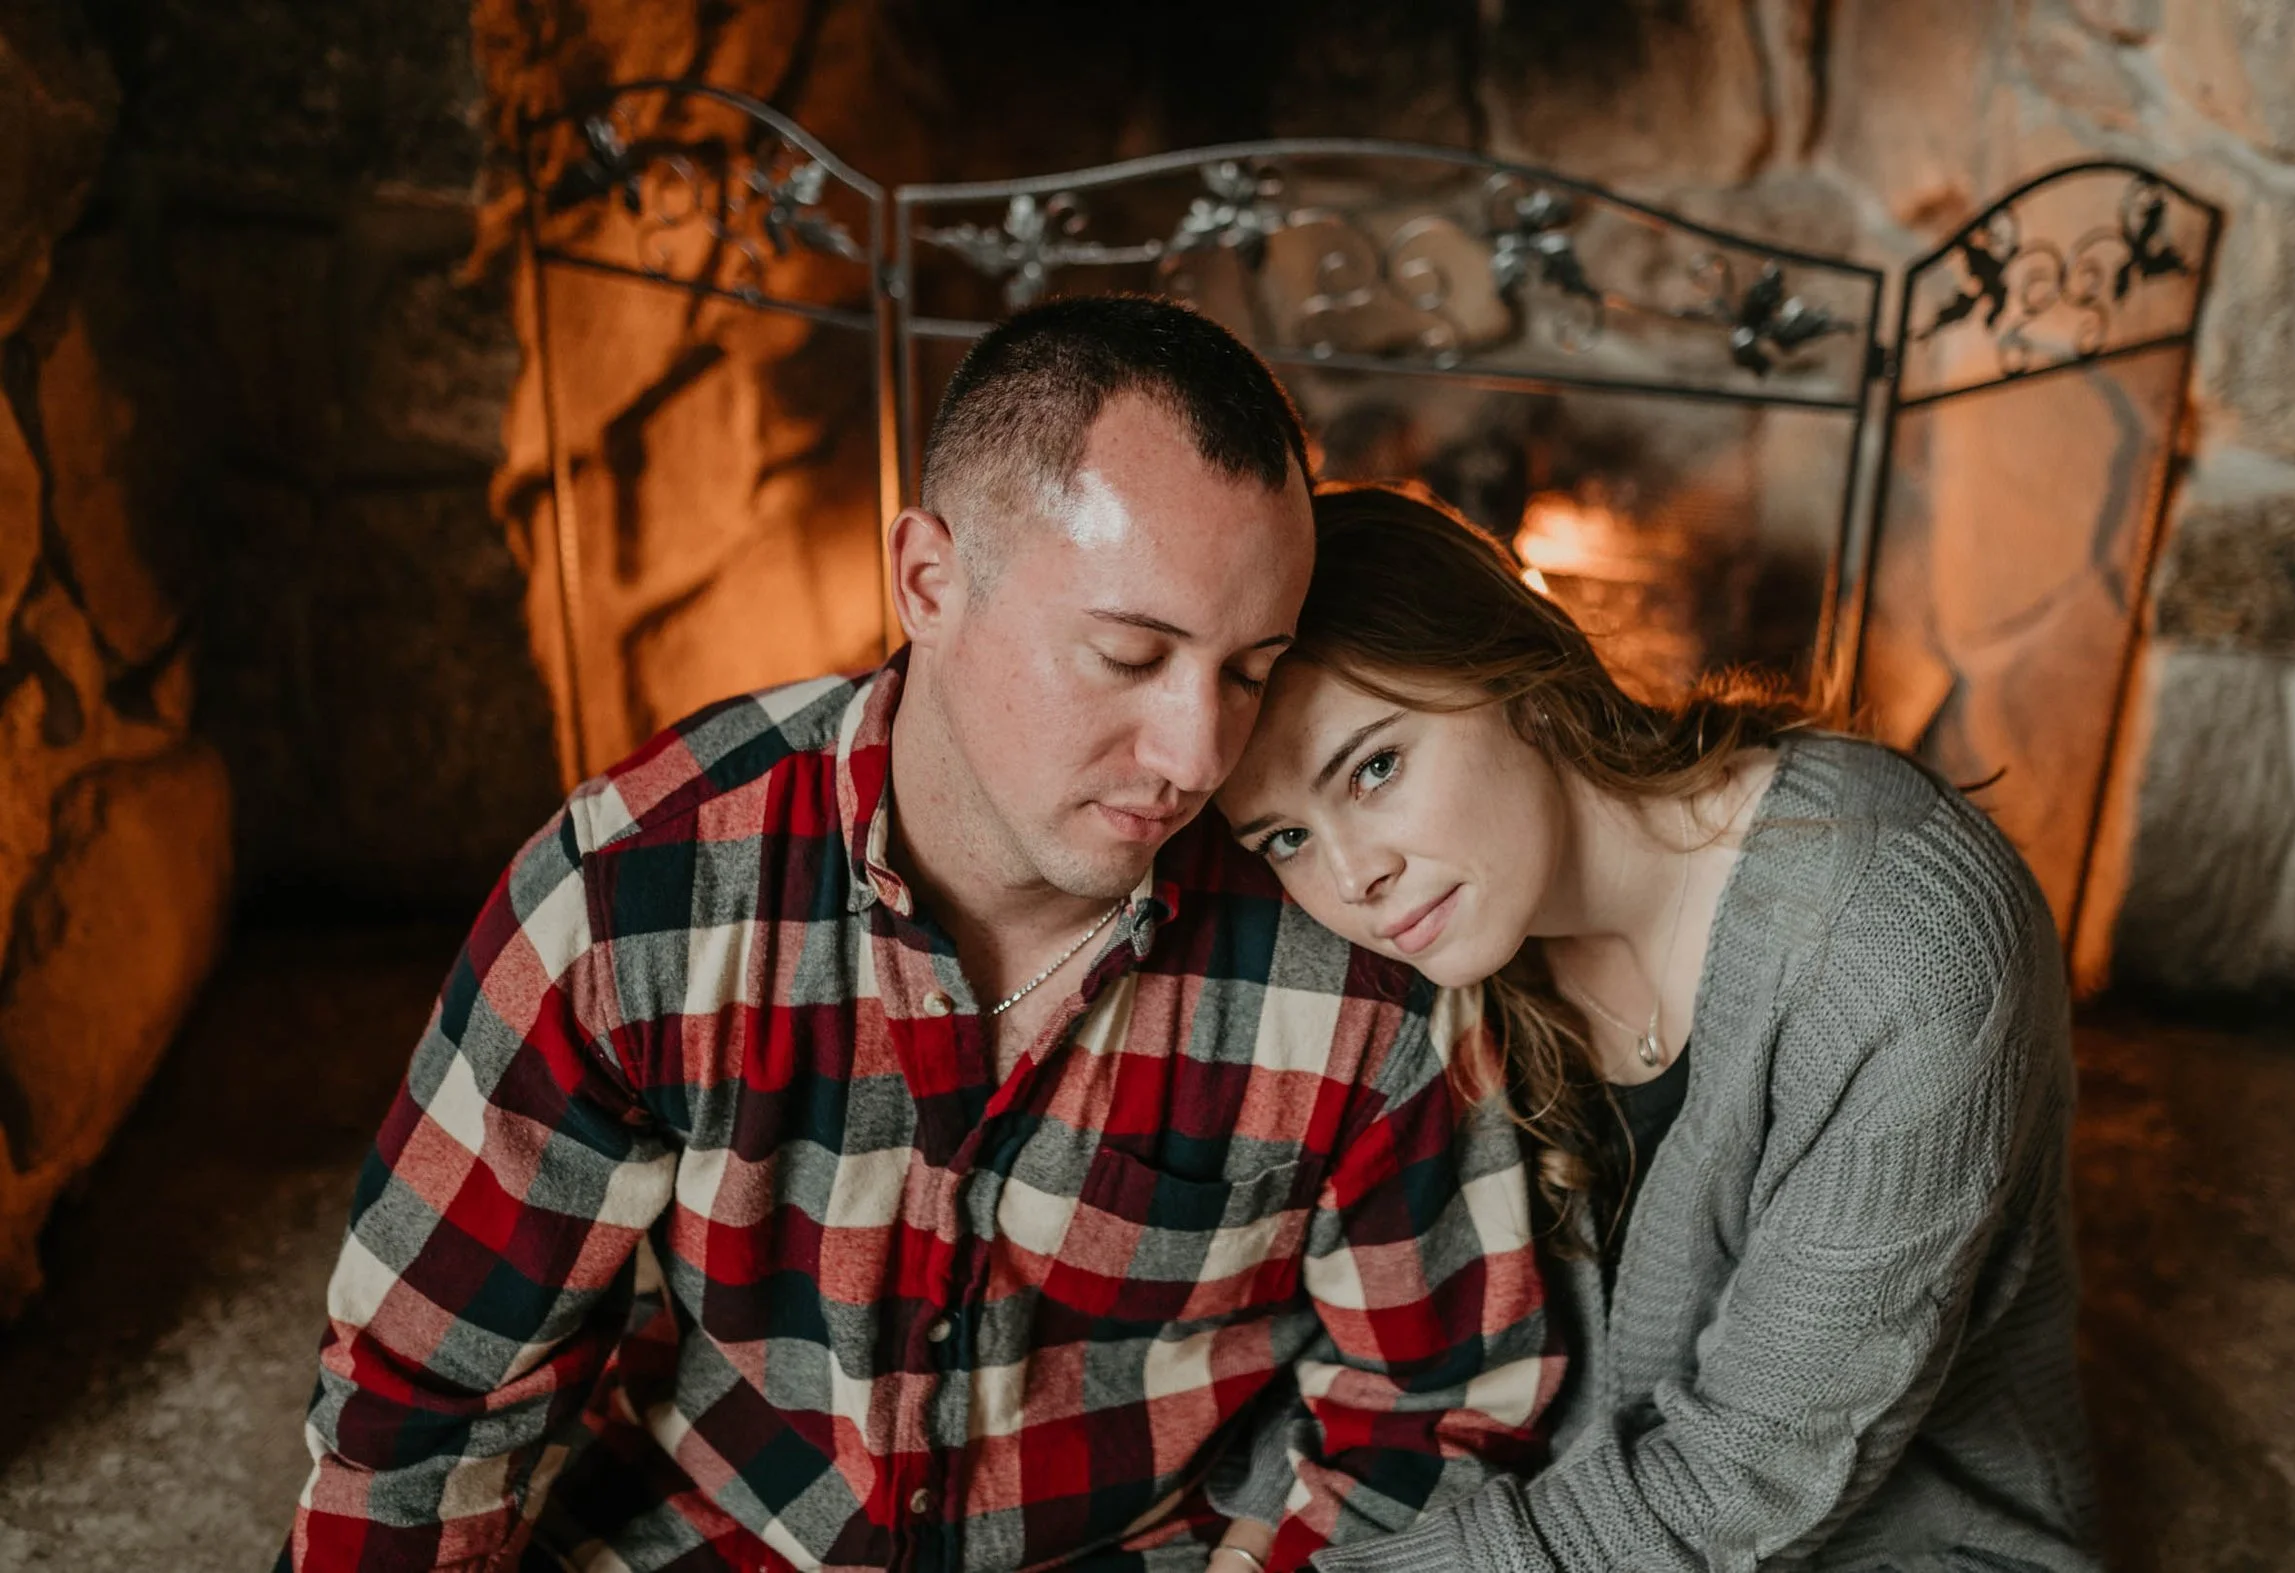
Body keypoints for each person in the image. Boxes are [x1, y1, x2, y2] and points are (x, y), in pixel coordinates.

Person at [281, 302, 1554, 1573]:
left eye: (1244, 670)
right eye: (1129, 654)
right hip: (725, 1536)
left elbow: (1421, 1419)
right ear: (929, 581)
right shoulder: (643, 889)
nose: (1197, 758)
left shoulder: (1349, 952)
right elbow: (426, 1399)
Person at [1212, 485, 2099, 1572]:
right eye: (1286, 837)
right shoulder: (1451, 940)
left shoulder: (1899, 942)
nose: (1353, 876)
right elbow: (1351, 1308)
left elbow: (1738, 1480)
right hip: (1552, 1519)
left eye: (1377, 766)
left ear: (1520, 679)